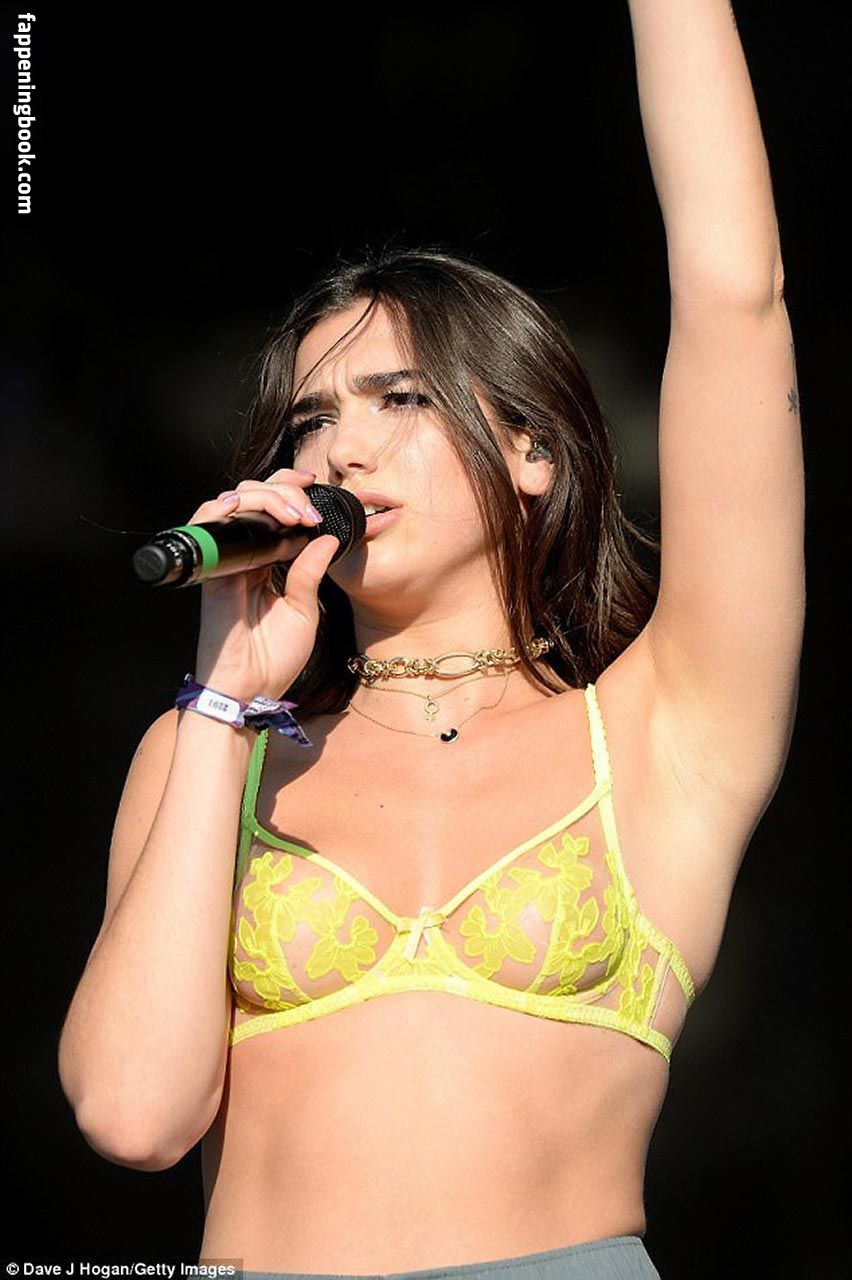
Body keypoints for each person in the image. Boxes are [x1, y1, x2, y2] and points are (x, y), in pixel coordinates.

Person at [57, 3, 805, 1278]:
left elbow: (738, 300)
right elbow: (134, 1113)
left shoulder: (667, 731)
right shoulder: (210, 752)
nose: (341, 450)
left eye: (398, 398)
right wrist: (225, 699)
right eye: (311, 420)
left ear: (532, 450)